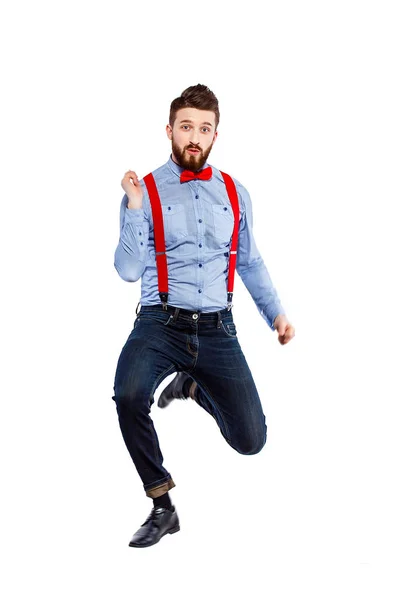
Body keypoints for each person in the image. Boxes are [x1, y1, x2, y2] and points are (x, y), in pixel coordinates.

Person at [112, 83, 295, 548]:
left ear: (216, 135)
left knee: (251, 440)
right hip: (159, 322)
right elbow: (128, 270)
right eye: (186, 126)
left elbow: (249, 261)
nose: (195, 136)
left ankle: (190, 386)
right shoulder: (144, 190)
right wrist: (134, 207)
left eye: (204, 128)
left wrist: (275, 315)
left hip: (218, 328)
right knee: (129, 394)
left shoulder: (235, 192)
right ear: (169, 130)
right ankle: (162, 505)